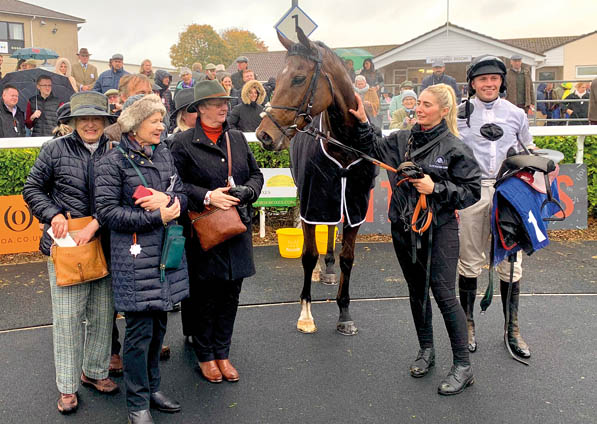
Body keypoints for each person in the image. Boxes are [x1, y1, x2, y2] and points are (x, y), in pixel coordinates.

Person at [349, 83, 481, 396]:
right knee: (416, 290)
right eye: (418, 103)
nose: (419, 109)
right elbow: (374, 150)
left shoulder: (455, 147)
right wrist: (364, 120)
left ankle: (463, 365)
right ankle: (426, 350)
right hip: (404, 227)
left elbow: (471, 191)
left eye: (426, 105)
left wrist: (435, 188)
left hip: (440, 229)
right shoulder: (402, 138)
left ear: (444, 110)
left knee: (445, 294)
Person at [23, 91, 119, 414]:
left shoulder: (116, 152)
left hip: (105, 245)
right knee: (67, 318)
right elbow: (32, 188)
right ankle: (67, 387)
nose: (91, 124)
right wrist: (52, 214)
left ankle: (94, 372)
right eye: (84, 118)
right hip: (66, 249)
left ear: (106, 122)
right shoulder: (53, 150)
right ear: (73, 122)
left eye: (97, 118)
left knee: (104, 315)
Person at [95, 94, 189, 424]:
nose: (162, 126)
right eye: (155, 121)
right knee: (138, 335)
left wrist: (171, 201)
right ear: (135, 127)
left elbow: (181, 194)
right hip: (135, 260)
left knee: (160, 326)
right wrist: (155, 218)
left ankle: (152, 390)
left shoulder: (163, 153)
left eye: (162, 120)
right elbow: (107, 214)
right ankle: (137, 403)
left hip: (165, 254)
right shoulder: (112, 163)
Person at [170, 80, 263, 384]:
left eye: (225, 102)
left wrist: (247, 191)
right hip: (204, 232)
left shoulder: (236, 137)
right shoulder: (182, 143)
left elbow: (256, 175)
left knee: (231, 294)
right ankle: (206, 355)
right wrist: (209, 196)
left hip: (236, 228)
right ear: (198, 109)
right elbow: (176, 185)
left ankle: (223, 352)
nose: (224, 107)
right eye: (215, 102)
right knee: (204, 297)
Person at [456, 55, 535, 359]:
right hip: (473, 191)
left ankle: (511, 329)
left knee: (511, 262)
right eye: (482, 79)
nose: (489, 84)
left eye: (494, 79)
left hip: (507, 191)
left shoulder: (516, 114)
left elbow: (528, 151)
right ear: (473, 83)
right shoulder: (459, 114)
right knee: (469, 259)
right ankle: (468, 324)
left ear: (501, 81)